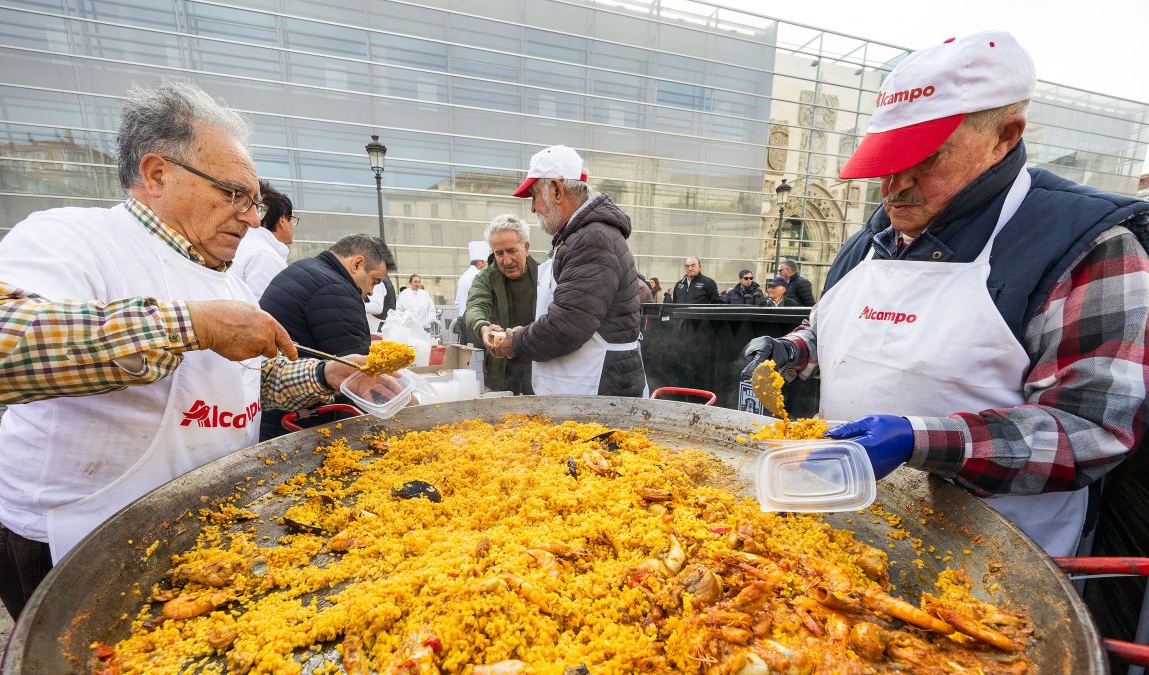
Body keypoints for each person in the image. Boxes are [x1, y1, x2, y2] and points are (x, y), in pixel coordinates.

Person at [0, 80, 383, 618]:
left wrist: (329, 376)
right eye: (235, 195)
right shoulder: (74, 236)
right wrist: (191, 325)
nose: (252, 218)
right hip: (79, 538)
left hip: (202, 523)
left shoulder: (227, 278)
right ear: (157, 175)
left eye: (254, 202)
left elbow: (249, 382)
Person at [740, 31, 1149, 557]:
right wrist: (791, 349)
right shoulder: (877, 234)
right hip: (842, 520)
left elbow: (1091, 429)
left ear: (1004, 137)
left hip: (991, 555)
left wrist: (919, 440)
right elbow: (831, 329)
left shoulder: (1088, 245)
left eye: (926, 159)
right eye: (887, 161)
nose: (895, 186)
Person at [486, 145, 647, 396]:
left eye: (534, 196)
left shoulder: (593, 239)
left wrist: (516, 342)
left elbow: (567, 326)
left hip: (600, 393)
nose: (533, 207)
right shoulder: (579, 237)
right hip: (585, 391)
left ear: (557, 190)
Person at [257, 234, 395, 441]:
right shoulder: (336, 290)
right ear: (357, 264)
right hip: (294, 425)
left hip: (273, 410)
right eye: (374, 281)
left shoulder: (304, 269)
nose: (371, 292)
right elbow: (357, 374)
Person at [463, 214, 538, 394]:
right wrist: (483, 328)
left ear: (526, 248)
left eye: (512, 251)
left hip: (537, 369)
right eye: (499, 253)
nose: (506, 260)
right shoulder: (485, 278)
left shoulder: (543, 275)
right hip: (499, 371)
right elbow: (475, 307)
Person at [231, 180, 294, 300]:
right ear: (282, 221)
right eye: (292, 220)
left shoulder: (242, 243)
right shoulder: (265, 255)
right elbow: (266, 306)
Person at [454, 240, 489, 343]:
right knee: (477, 351)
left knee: (465, 351)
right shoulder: (479, 276)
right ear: (480, 262)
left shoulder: (463, 276)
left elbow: (457, 302)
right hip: (475, 322)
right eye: (486, 262)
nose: (487, 265)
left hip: (462, 320)